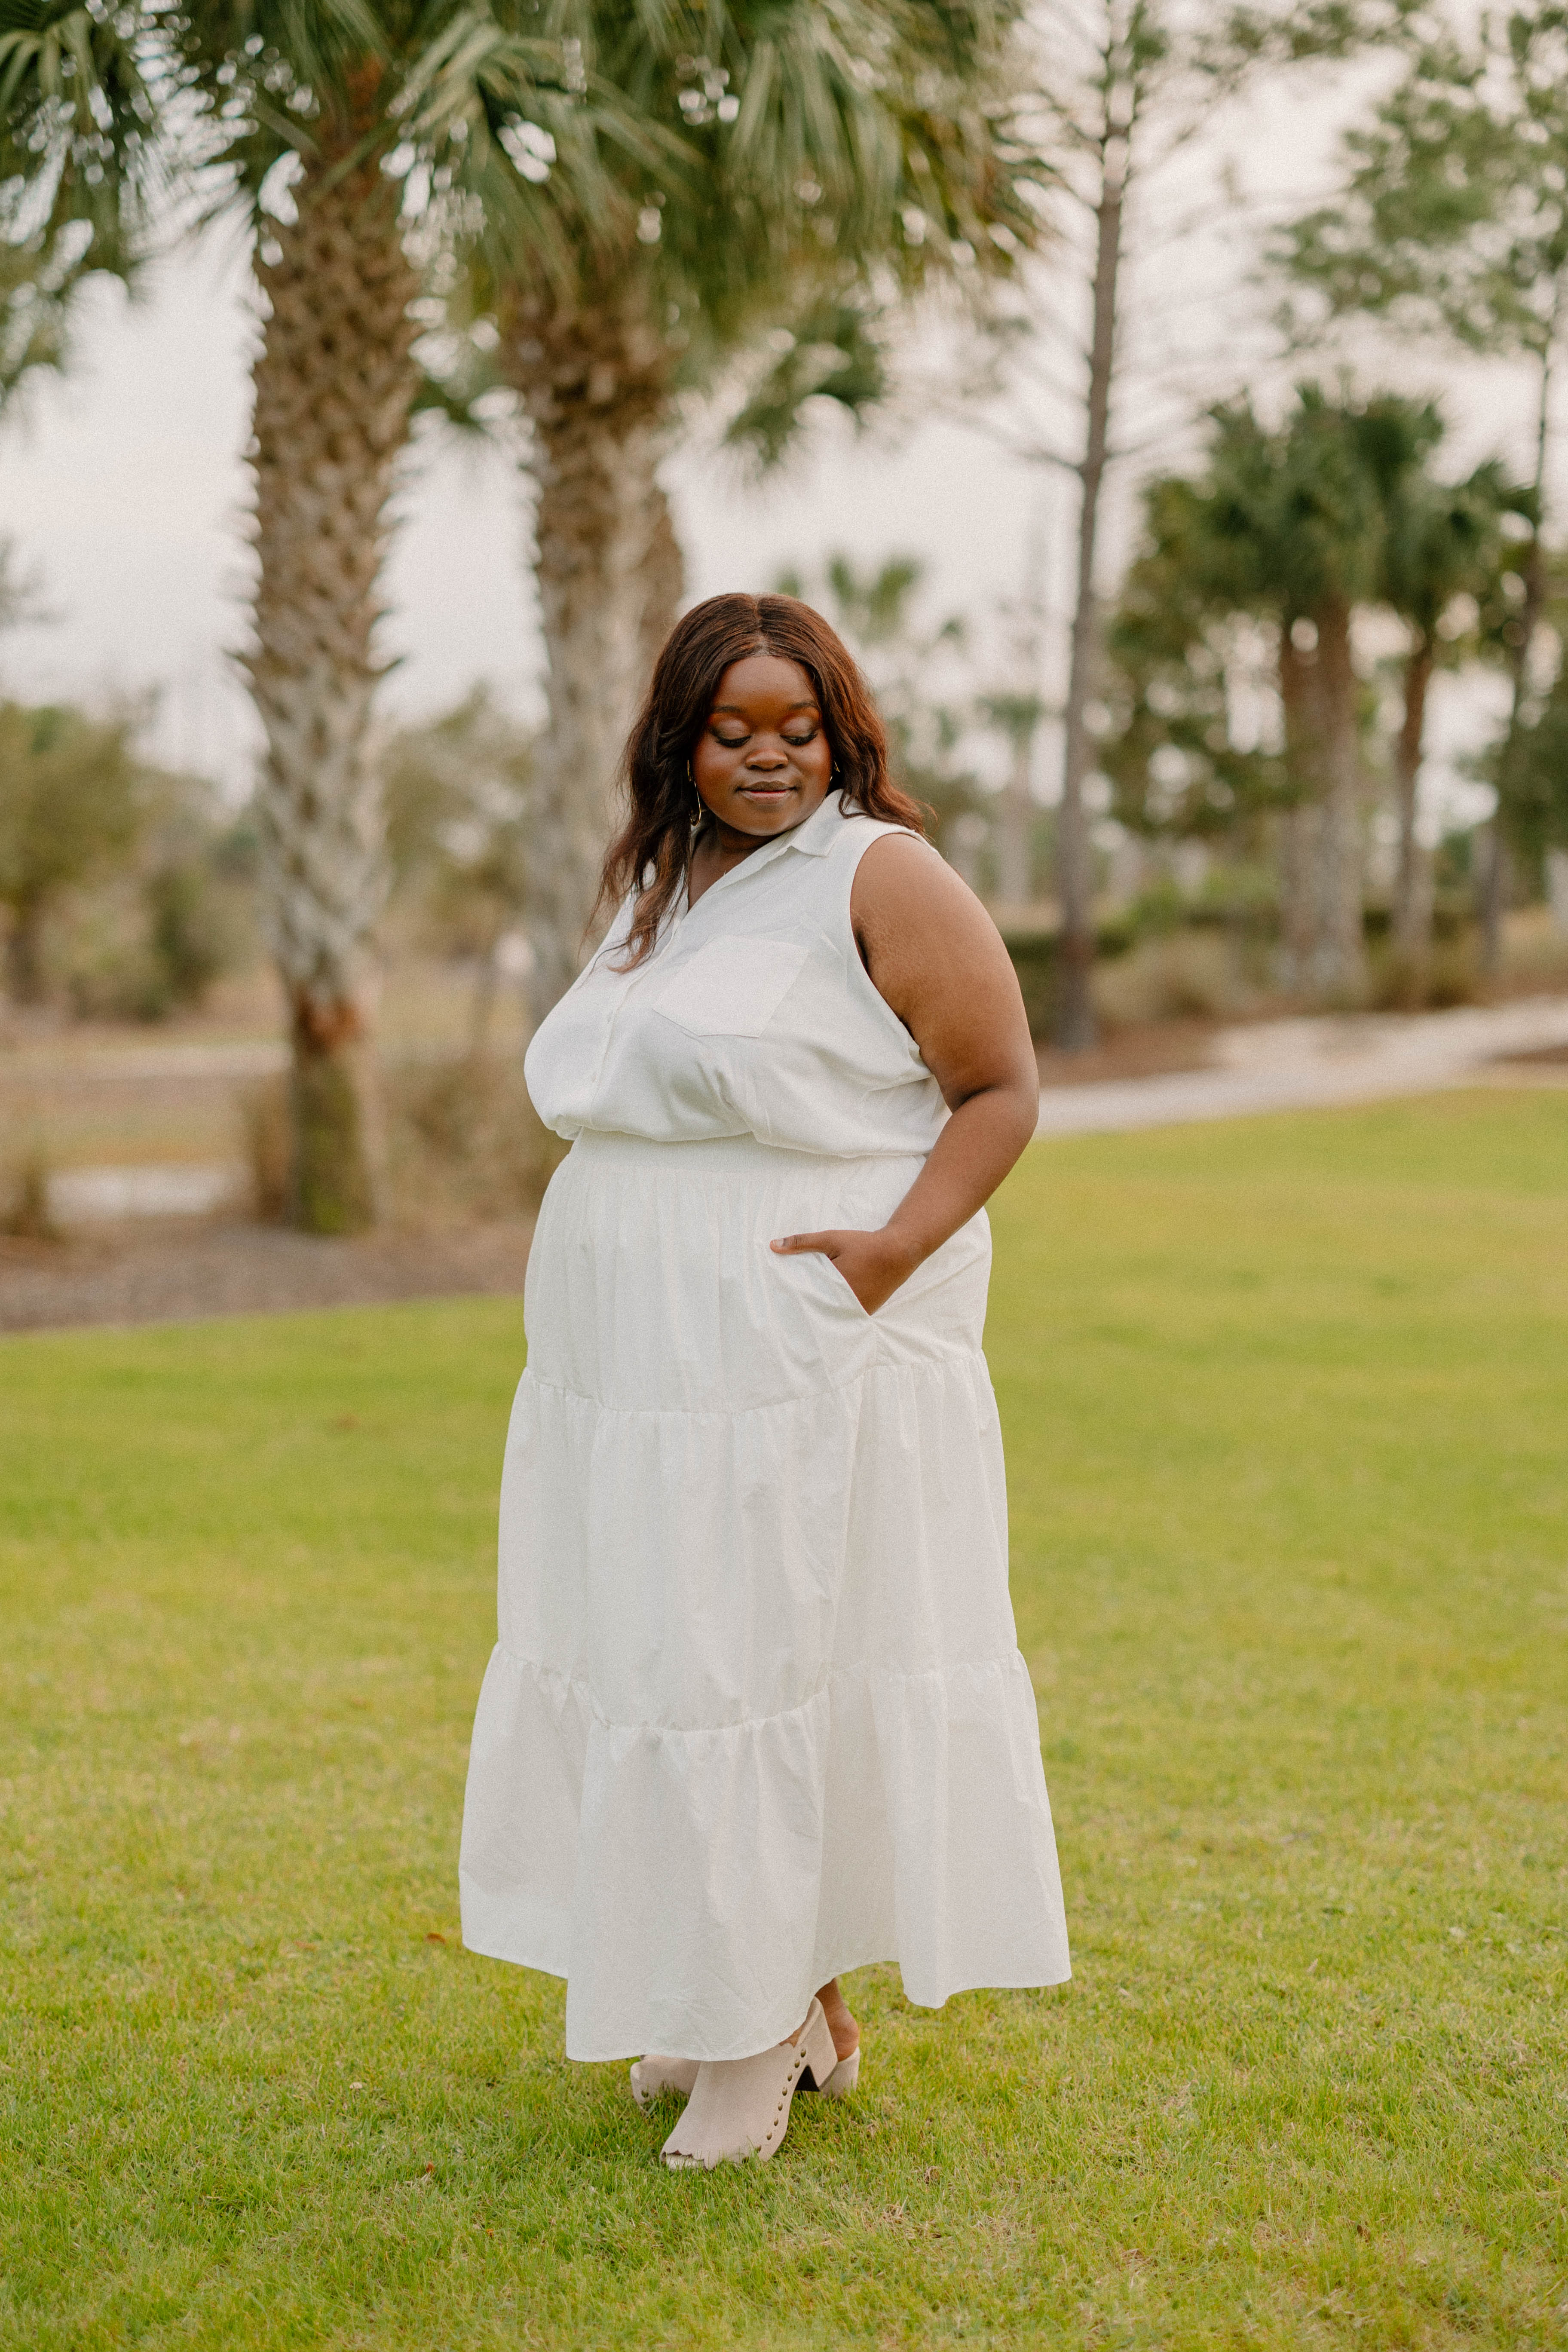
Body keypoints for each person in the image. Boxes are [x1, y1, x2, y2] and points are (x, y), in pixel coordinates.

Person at [459, 593, 1069, 2171]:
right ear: (680, 742)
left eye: (798, 727)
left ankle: (745, 2037)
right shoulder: (662, 884)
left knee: (759, 1652)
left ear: (842, 730)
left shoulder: (881, 872)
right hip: (632, 1357)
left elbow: (998, 1090)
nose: (770, 756)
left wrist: (890, 1248)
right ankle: (777, 2003)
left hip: (789, 1335)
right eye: (734, 731)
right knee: (673, 1649)